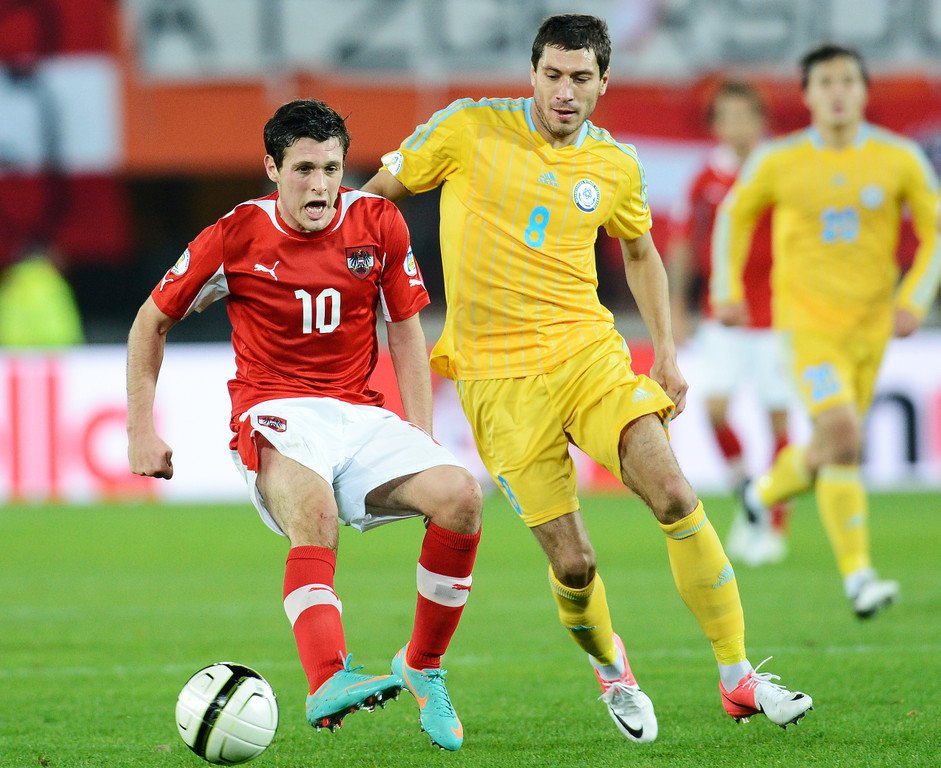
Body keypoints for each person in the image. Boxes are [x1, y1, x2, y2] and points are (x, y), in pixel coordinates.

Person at [363, 13, 812, 743]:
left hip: (588, 356)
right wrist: (348, 275)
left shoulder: (614, 165)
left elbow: (640, 252)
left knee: (674, 492)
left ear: (603, 81)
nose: (564, 91)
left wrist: (665, 353)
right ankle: (613, 672)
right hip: (497, 381)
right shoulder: (467, 127)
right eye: (552, 75)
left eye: (579, 78)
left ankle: (738, 677)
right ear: (532, 74)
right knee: (574, 565)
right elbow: (375, 199)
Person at [126, 99, 482, 752]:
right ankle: (327, 677)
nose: (320, 186)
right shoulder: (236, 234)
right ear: (272, 168)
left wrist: (421, 431)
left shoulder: (378, 222)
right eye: (303, 170)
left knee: (461, 497)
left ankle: (424, 665)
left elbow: (404, 328)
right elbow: (151, 321)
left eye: (332, 169)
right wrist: (140, 430)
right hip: (275, 411)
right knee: (313, 513)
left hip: (358, 413)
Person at [711, 44, 941, 619]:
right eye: (826, 83)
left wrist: (914, 299)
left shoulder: (899, 158)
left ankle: (765, 494)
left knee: (838, 447)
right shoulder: (780, 160)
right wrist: (725, 288)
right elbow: (734, 215)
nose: (837, 92)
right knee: (841, 432)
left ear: (863, 91)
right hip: (806, 327)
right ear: (808, 95)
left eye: (847, 81)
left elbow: (936, 230)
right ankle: (859, 575)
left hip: (871, 330)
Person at [667, 81, 792, 567]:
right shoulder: (706, 179)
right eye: (728, 117)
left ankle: (774, 522)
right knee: (715, 410)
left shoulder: (780, 171)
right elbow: (682, 243)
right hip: (722, 312)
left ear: (761, 121)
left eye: (746, 116)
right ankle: (750, 497)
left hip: (778, 314)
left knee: (777, 419)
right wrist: (677, 306)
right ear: (716, 126)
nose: (737, 126)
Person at [0, 243, 84, 347]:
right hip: (52, 348)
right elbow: (60, 324)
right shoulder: (52, 282)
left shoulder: (9, 283)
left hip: (11, 350)